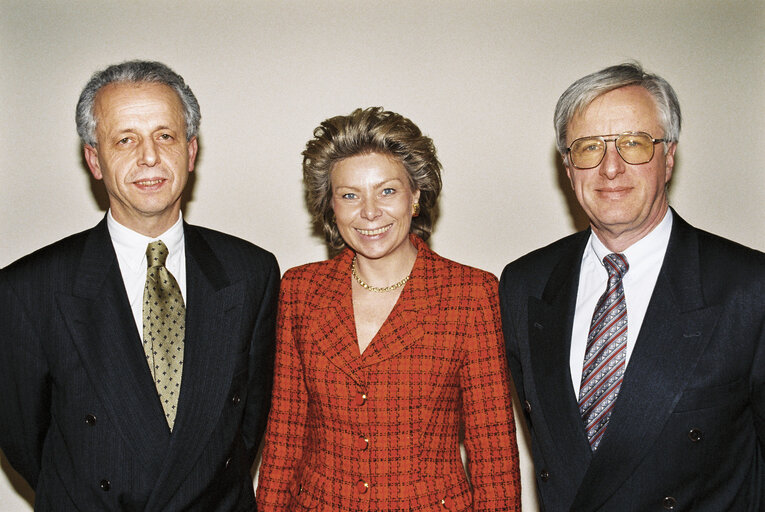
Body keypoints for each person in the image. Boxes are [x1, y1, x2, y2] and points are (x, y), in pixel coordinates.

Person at [0, 60, 279, 511]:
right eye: (125, 140)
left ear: (190, 152)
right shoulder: (28, 289)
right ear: (95, 159)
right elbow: (26, 441)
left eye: (164, 136)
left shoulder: (251, 273)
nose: (149, 157)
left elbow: (244, 430)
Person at [500, 62, 765, 511]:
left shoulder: (748, 288)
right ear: (568, 167)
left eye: (634, 144)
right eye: (588, 148)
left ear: (669, 157)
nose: (610, 168)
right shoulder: (525, 284)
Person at [256, 107, 521, 511]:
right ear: (330, 206)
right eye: (349, 195)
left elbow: (494, 460)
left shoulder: (470, 295)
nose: (369, 212)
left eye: (387, 191)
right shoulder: (300, 289)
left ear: (416, 195)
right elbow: (285, 436)